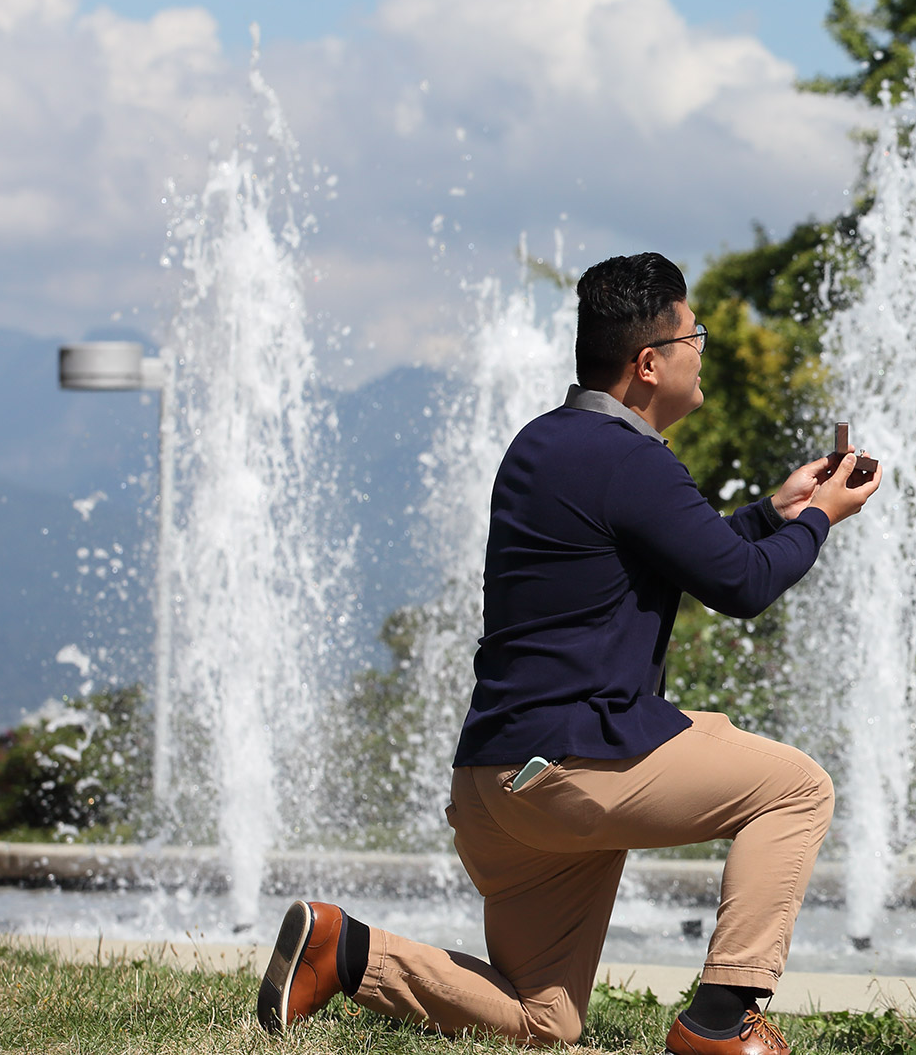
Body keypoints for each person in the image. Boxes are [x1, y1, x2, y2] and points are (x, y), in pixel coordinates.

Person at [255, 251, 880, 1053]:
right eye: (697, 334)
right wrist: (821, 517)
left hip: (494, 784)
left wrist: (776, 511)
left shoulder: (543, 444)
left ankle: (343, 950)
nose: (704, 350)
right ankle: (722, 1021)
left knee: (544, 1021)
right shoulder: (632, 460)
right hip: (569, 771)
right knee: (797, 788)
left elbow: (697, 553)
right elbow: (745, 587)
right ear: (649, 362)